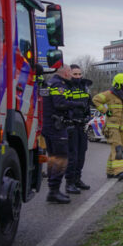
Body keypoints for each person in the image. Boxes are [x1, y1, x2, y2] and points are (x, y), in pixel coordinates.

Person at [41, 55, 80, 203]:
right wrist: (76, 105)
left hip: (49, 126)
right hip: (57, 127)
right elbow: (60, 104)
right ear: (65, 73)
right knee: (61, 158)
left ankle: (53, 190)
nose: (71, 75)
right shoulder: (59, 85)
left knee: (53, 158)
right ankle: (54, 191)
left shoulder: (50, 83)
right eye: (70, 72)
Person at [92, 73, 123, 181]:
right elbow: (95, 100)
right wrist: (105, 111)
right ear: (118, 85)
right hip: (112, 126)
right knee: (117, 148)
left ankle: (110, 171)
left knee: (118, 149)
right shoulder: (109, 94)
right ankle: (119, 171)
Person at [64, 64, 93, 194]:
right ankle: (69, 183)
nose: (78, 76)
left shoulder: (85, 87)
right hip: (71, 125)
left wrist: (88, 117)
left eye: (79, 74)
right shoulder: (66, 87)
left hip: (82, 125)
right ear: (69, 74)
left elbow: (88, 104)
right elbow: (63, 104)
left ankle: (77, 179)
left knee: (82, 154)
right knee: (73, 156)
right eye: (75, 74)